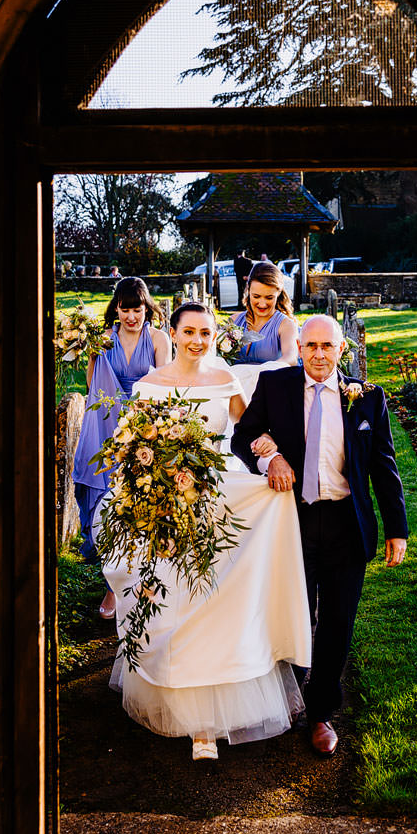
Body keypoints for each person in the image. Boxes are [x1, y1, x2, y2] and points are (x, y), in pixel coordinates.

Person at [100, 302, 311, 760]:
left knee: (218, 600)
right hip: (168, 504)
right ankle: (190, 718)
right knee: (176, 600)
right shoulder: (150, 387)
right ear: (172, 333)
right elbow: (130, 446)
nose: (198, 340)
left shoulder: (225, 381)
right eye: (189, 331)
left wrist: (269, 451)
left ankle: (214, 720)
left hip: (220, 496)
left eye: (206, 333)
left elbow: (251, 429)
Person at [230, 314, 407, 756]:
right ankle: (284, 698)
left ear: (341, 349)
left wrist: (397, 529)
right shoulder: (275, 386)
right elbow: (242, 435)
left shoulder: (366, 398)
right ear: (300, 348)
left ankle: (321, 713)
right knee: (293, 613)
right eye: (310, 346)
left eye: (327, 346)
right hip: (292, 522)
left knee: (338, 622)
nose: (319, 354)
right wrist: (270, 458)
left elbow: (384, 466)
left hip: (348, 523)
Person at [71, 277, 169, 618]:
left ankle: (148, 577)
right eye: (125, 310)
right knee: (109, 506)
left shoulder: (158, 338)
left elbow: (166, 380)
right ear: (117, 309)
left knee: (145, 502)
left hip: (146, 424)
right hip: (108, 425)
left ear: (147, 308)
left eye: (137, 310)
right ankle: (111, 586)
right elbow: (90, 382)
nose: (131, 317)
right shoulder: (105, 340)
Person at [229, 261, 299, 378]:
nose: (262, 304)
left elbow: (291, 358)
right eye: (256, 296)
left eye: (269, 297)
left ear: (278, 293)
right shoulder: (234, 320)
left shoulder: (285, 325)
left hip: (269, 386)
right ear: (248, 290)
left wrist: (261, 373)